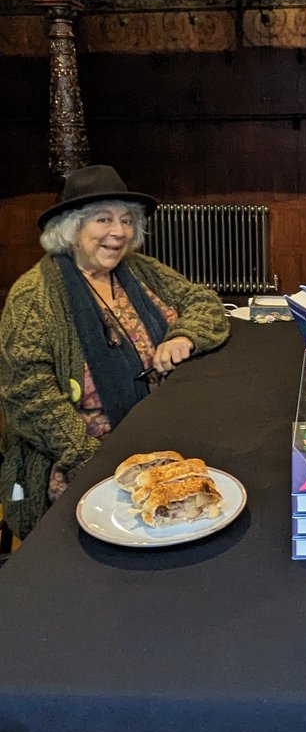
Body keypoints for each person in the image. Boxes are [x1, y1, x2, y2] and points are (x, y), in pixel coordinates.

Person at [0, 164, 231, 539]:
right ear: (72, 228)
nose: (119, 232)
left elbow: (203, 302)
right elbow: (29, 398)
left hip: (163, 437)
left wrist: (183, 337)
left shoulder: (139, 270)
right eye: (103, 219)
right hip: (82, 460)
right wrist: (93, 461)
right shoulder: (34, 297)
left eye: (126, 220)